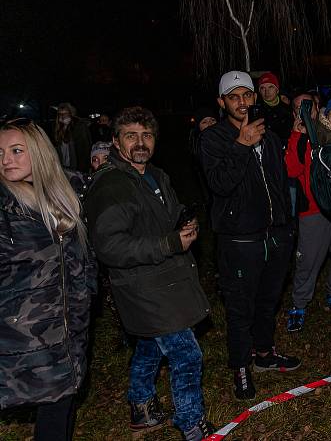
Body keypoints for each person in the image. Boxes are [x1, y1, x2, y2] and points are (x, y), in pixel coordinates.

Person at [83, 107, 212, 441]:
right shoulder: (111, 184)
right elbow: (110, 247)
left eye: (147, 135)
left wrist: (184, 225)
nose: (140, 143)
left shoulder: (155, 174)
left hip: (165, 278)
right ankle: (191, 423)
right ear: (115, 141)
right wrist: (170, 242)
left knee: (151, 346)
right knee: (186, 353)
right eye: (131, 135)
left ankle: (140, 405)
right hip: (142, 285)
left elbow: (162, 219)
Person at [200, 71, 300, 401]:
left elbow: (279, 184)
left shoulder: (268, 136)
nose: (242, 102)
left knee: (268, 301)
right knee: (240, 308)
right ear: (221, 102)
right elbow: (220, 184)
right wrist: (241, 145)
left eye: (247, 95)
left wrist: (287, 228)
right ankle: (241, 367)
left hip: (275, 235)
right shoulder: (213, 138)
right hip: (239, 240)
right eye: (234, 97)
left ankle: (265, 354)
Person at [0, 118, 96, 441]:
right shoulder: (5, 209)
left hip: (70, 331)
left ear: (40, 153)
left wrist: (87, 298)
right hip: (23, 340)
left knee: (61, 409)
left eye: (16, 151)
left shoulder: (66, 197)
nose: (5, 160)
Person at [284, 93, 331, 333]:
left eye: (308, 106)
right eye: (298, 107)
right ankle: (299, 305)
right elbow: (292, 170)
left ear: (317, 108)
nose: (304, 110)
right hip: (313, 210)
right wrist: (296, 135)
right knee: (309, 259)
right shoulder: (302, 137)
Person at [52, 103, 92, 173]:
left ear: (71, 113)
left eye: (65, 113)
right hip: (63, 167)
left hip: (77, 167)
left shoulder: (79, 126)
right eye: (60, 113)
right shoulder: (58, 128)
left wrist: (82, 169)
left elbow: (85, 148)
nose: (62, 115)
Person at [256, 71, 293, 144]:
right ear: (259, 91)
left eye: (271, 87)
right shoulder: (257, 111)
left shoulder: (288, 108)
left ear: (277, 90)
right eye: (263, 88)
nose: (267, 92)